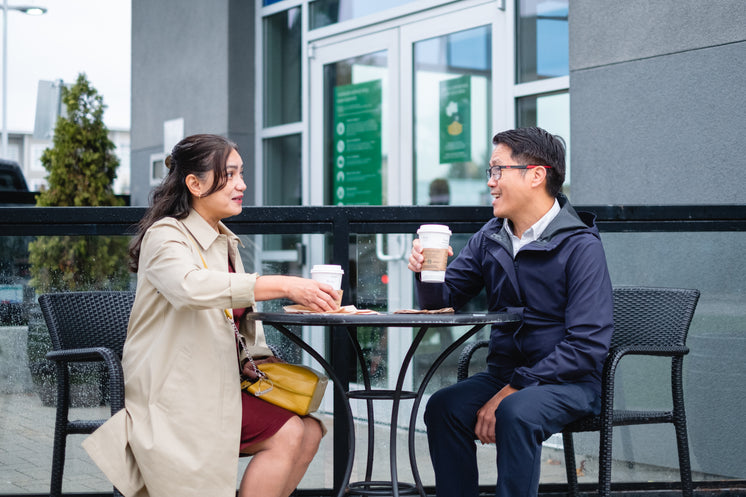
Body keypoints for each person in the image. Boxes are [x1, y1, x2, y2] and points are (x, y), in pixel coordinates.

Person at [82, 134, 339, 497]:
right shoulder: (166, 235)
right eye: (230, 174)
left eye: (241, 173)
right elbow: (190, 288)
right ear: (195, 183)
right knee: (289, 432)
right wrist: (284, 284)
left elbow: (229, 320)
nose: (242, 185)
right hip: (178, 397)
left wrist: (250, 359)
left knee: (311, 429)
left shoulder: (224, 241)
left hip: (219, 387)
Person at [407, 127, 614, 497]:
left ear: (537, 175)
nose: (491, 182)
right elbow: (442, 300)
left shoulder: (581, 246)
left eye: (498, 170)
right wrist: (427, 270)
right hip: (504, 375)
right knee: (443, 407)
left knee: (515, 412)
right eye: (491, 172)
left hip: (568, 383)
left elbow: (587, 345)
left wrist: (514, 388)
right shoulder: (492, 236)